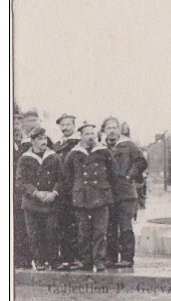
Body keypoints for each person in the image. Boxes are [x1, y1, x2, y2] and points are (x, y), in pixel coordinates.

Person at [61, 122, 115, 272]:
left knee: (100, 231)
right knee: (83, 232)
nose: (90, 137)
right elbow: (67, 176)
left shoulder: (105, 152)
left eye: (92, 133)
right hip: (81, 197)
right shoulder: (74, 153)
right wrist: (74, 192)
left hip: (101, 196)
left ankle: (99, 260)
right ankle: (86, 261)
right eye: (87, 134)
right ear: (81, 136)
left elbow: (113, 174)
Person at [15, 126, 62, 270]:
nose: (43, 141)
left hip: (50, 202)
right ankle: (39, 261)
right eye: (40, 139)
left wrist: (54, 192)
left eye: (44, 138)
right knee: (34, 234)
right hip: (32, 203)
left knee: (52, 232)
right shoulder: (24, 159)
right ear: (33, 141)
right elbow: (20, 182)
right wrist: (35, 193)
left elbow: (61, 178)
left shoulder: (54, 157)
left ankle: (54, 261)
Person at [103, 116, 147, 268]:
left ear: (119, 129)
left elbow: (141, 161)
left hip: (126, 193)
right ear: (103, 131)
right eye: (109, 128)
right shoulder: (101, 148)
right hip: (108, 193)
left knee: (125, 226)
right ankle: (110, 258)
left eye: (115, 127)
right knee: (109, 227)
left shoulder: (128, 145)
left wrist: (129, 175)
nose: (112, 131)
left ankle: (127, 258)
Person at [52, 113, 82, 270]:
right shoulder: (57, 145)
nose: (65, 128)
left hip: (74, 189)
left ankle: (76, 258)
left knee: (74, 225)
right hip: (61, 191)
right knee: (62, 225)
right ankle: (66, 258)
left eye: (68, 124)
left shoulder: (78, 144)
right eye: (62, 125)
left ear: (74, 125)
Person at [13, 113, 33, 269]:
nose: (14, 127)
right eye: (11, 123)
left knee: (25, 227)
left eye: (17, 123)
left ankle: (25, 260)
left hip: (25, 192)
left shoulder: (28, 145)